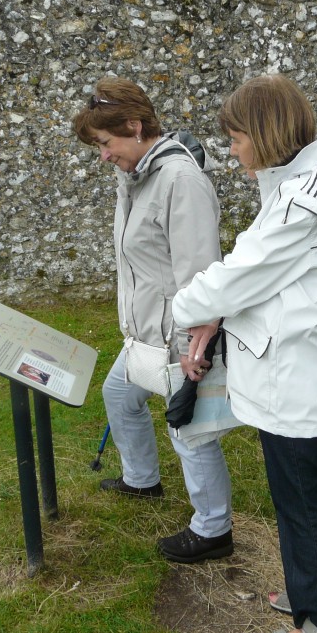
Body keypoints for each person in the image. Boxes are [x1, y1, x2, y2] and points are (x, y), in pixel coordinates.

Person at [172, 74, 317, 633]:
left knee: (300, 495)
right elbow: (258, 272)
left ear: (265, 134)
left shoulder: (301, 203)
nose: (234, 149)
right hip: (291, 361)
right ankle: (306, 588)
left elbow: (240, 274)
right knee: (295, 490)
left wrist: (183, 307)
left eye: (237, 137)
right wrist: (214, 317)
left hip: (292, 369)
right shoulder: (306, 180)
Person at [72, 77, 234, 564]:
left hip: (177, 339)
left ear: (135, 126)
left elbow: (199, 272)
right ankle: (141, 480)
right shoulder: (137, 177)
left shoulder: (179, 181)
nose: (103, 156)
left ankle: (213, 529)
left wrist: (194, 348)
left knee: (190, 431)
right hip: (143, 335)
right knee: (119, 393)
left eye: (106, 143)